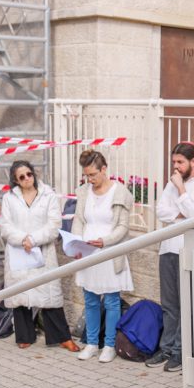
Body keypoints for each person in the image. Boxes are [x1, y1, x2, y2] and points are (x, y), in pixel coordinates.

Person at [145, 143, 194, 373]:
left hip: (191, 249)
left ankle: (180, 352)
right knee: (169, 304)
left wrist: (181, 191)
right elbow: (161, 211)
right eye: (174, 161)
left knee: (186, 302)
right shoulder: (171, 182)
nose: (176, 166)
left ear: (193, 161)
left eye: (180, 162)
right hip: (168, 246)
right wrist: (181, 211)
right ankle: (166, 348)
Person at [0, 160, 79, 352]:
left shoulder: (48, 195)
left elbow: (54, 224)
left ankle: (61, 337)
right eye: (22, 177)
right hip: (19, 250)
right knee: (20, 293)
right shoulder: (9, 198)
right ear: (15, 181)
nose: (27, 179)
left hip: (42, 249)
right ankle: (25, 335)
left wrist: (33, 239)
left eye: (29, 174)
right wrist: (22, 239)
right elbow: (5, 226)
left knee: (49, 293)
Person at [70, 150, 134, 362]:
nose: (90, 179)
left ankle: (109, 345)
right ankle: (91, 343)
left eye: (93, 175)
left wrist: (105, 241)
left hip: (109, 251)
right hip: (88, 250)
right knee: (90, 299)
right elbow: (79, 219)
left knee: (112, 301)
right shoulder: (83, 192)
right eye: (86, 175)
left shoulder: (120, 192)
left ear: (104, 169)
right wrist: (77, 241)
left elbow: (123, 226)